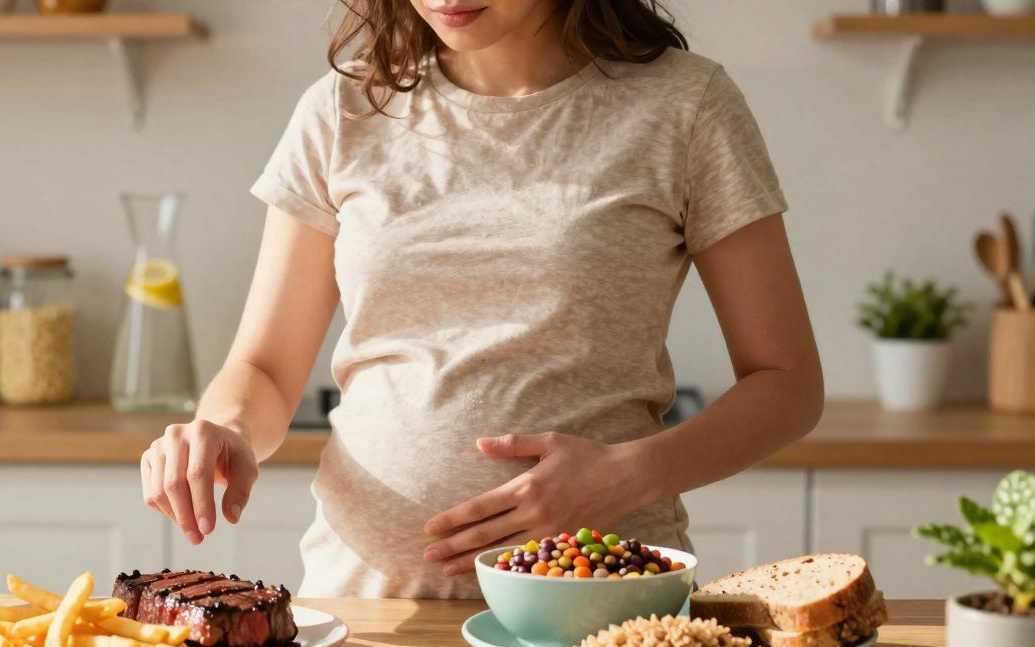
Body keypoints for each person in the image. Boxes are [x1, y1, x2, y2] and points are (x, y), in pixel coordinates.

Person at [139, 0, 824, 598]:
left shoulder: (685, 106)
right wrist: (225, 428)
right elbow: (263, 371)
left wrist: (629, 475)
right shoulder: (340, 111)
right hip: (373, 613)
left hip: (603, 612)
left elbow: (787, 382)